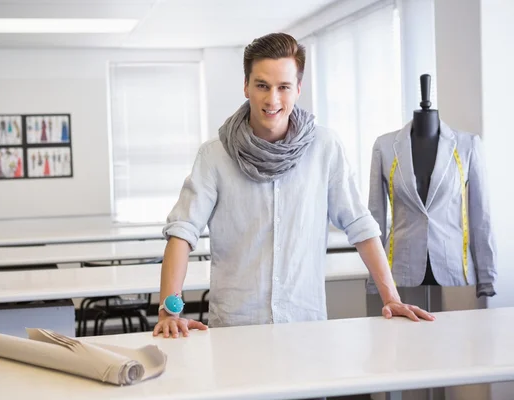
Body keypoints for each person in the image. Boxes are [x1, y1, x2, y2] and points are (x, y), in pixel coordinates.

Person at [153, 32, 434, 339]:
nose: (272, 99)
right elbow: (182, 231)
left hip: (305, 325)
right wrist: (170, 310)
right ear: (246, 86)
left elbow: (359, 224)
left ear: (298, 89)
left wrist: (391, 298)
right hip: (236, 329)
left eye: (283, 87)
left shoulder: (324, 147)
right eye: (262, 85)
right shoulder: (214, 155)